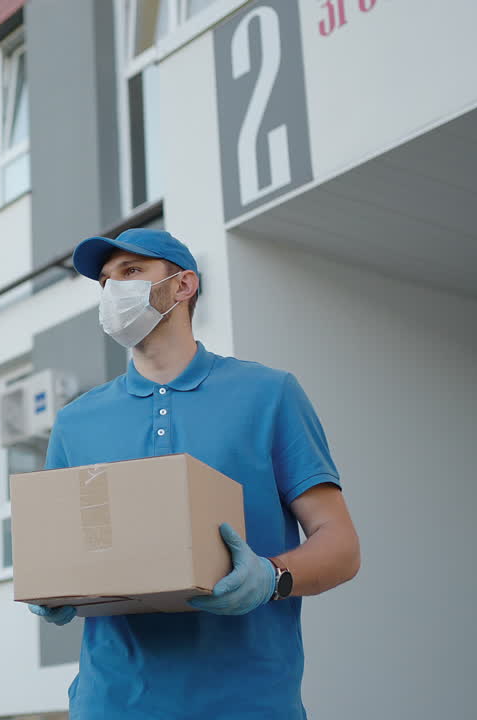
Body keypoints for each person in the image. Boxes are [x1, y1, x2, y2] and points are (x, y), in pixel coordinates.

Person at [29, 228, 360, 719]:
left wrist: (273, 577)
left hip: (248, 703)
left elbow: (341, 545)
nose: (113, 290)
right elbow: (60, 553)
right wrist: (51, 591)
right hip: (112, 704)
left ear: (183, 286)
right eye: (104, 281)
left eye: (131, 272)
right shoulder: (76, 422)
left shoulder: (268, 394)